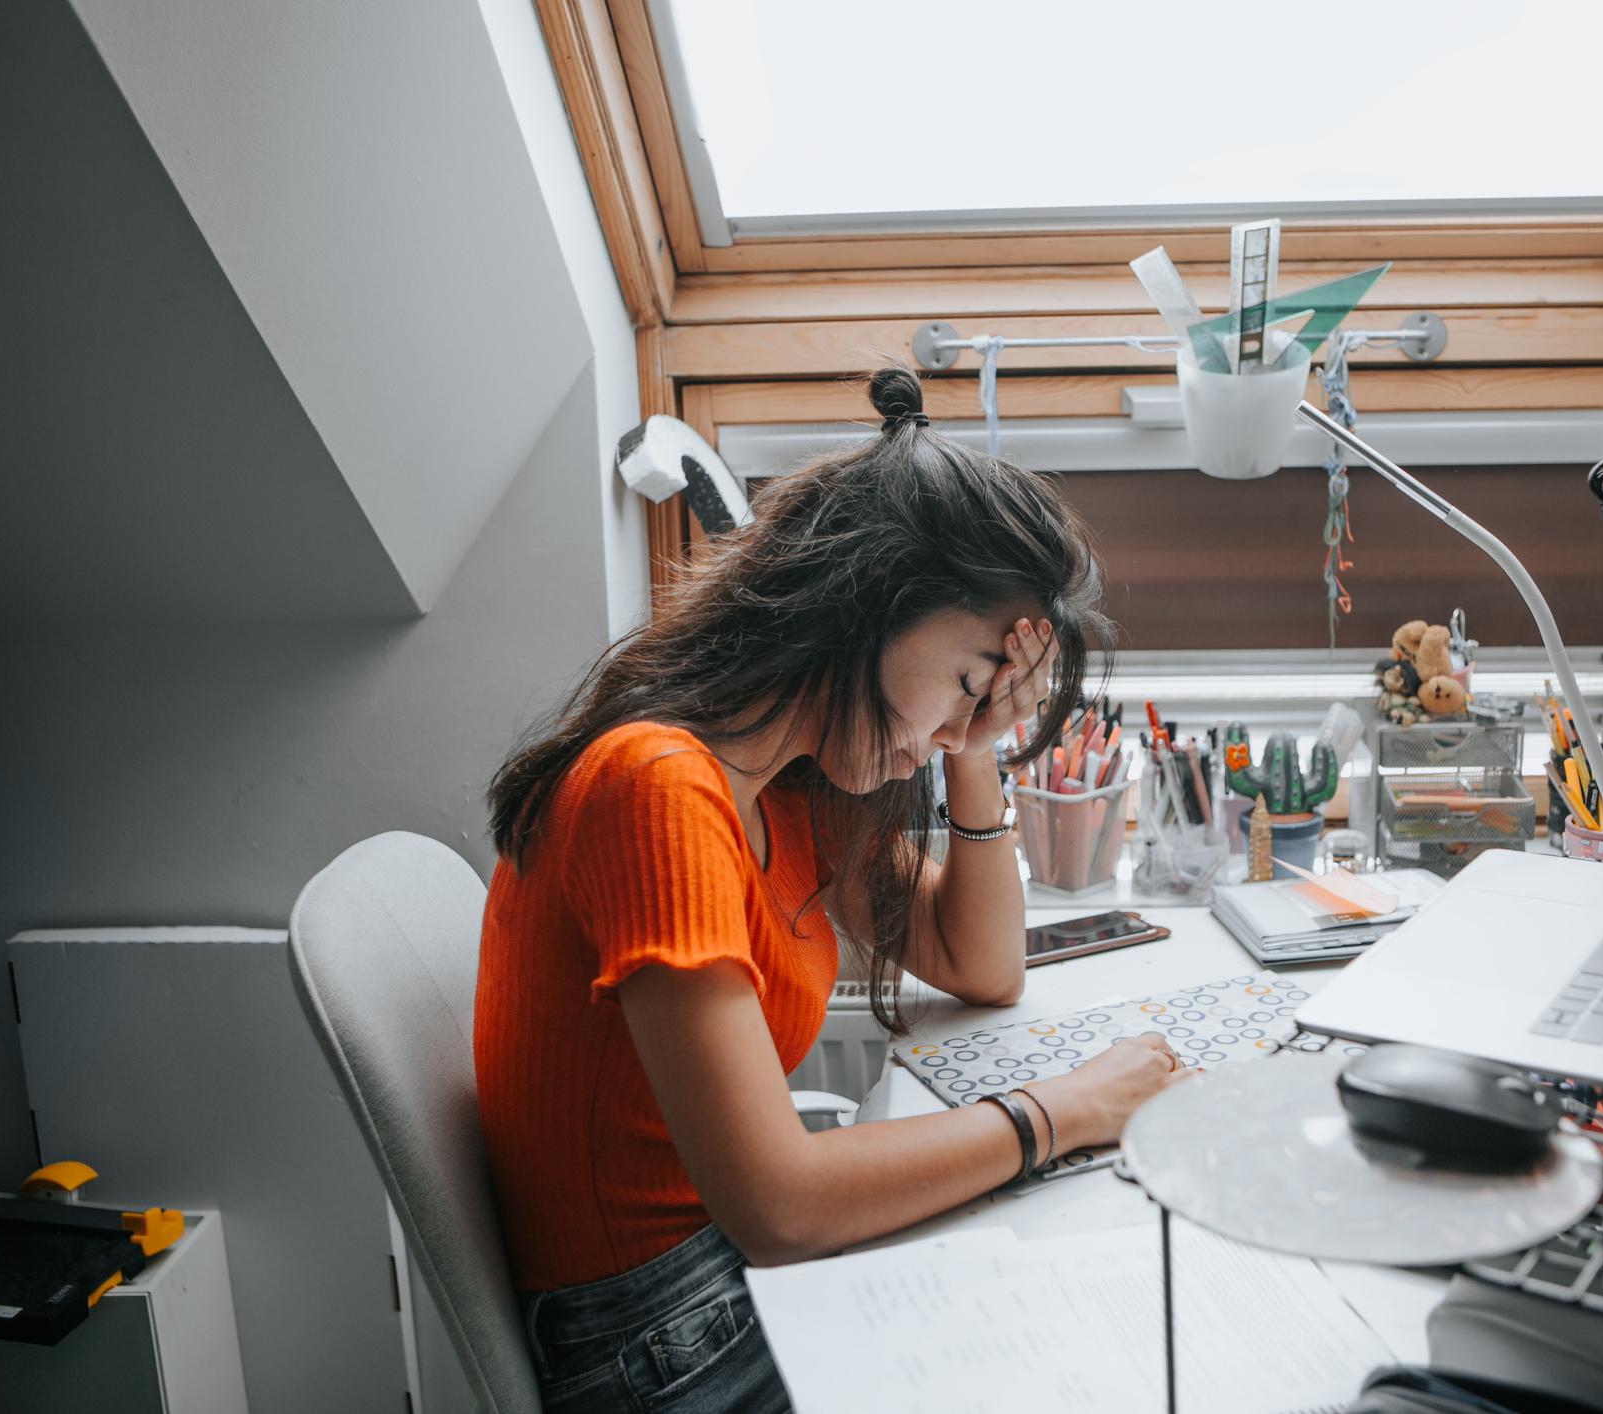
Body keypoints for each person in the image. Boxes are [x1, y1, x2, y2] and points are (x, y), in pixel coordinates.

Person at [475, 367, 1189, 1414]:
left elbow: (982, 966)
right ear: (864, 604)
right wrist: (1068, 1109)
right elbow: (779, 1204)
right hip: (659, 1340)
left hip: (716, 1287)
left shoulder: (796, 784)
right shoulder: (659, 786)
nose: (959, 726)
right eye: (964, 681)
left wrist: (973, 738)